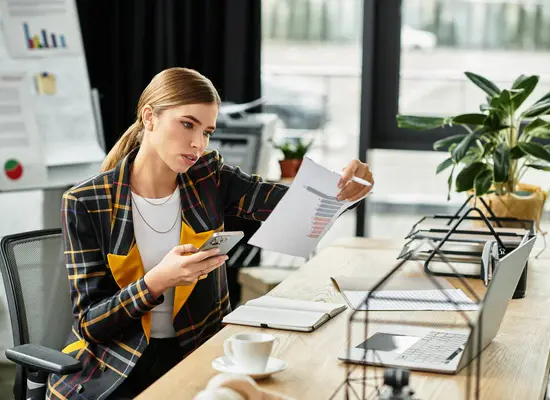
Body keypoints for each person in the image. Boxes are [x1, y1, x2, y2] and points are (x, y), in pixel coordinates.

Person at [47, 67, 374, 399]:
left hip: (197, 353)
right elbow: (91, 324)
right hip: (117, 367)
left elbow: (292, 204)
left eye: (207, 132)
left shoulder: (208, 176)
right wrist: (157, 280)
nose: (197, 143)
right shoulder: (86, 202)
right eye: (188, 124)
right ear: (149, 117)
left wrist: (347, 186)